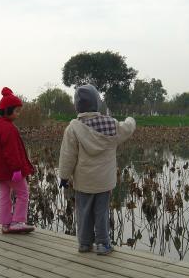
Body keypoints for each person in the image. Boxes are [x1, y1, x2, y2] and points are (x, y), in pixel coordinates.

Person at [58, 84, 136, 255]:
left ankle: (84, 244)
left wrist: (63, 176)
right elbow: (127, 128)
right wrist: (131, 119)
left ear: (77, 106)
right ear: (97, 103)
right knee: (101, 213)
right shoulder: (111, 124)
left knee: (84, 212)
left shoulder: (73, 128)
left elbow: (67, 155)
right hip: (104, 181)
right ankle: (102, 244)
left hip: (84, 180)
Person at [0, 87, 35, 234]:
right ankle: (17, 222)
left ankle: (5, 223)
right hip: (11, 171)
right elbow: (11, 152)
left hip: (0, 171)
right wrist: (17, 169)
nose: (18, 114)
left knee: (4, 195)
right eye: (16, 111)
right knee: (23, 193)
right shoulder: (8, 128)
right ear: (7, 110)